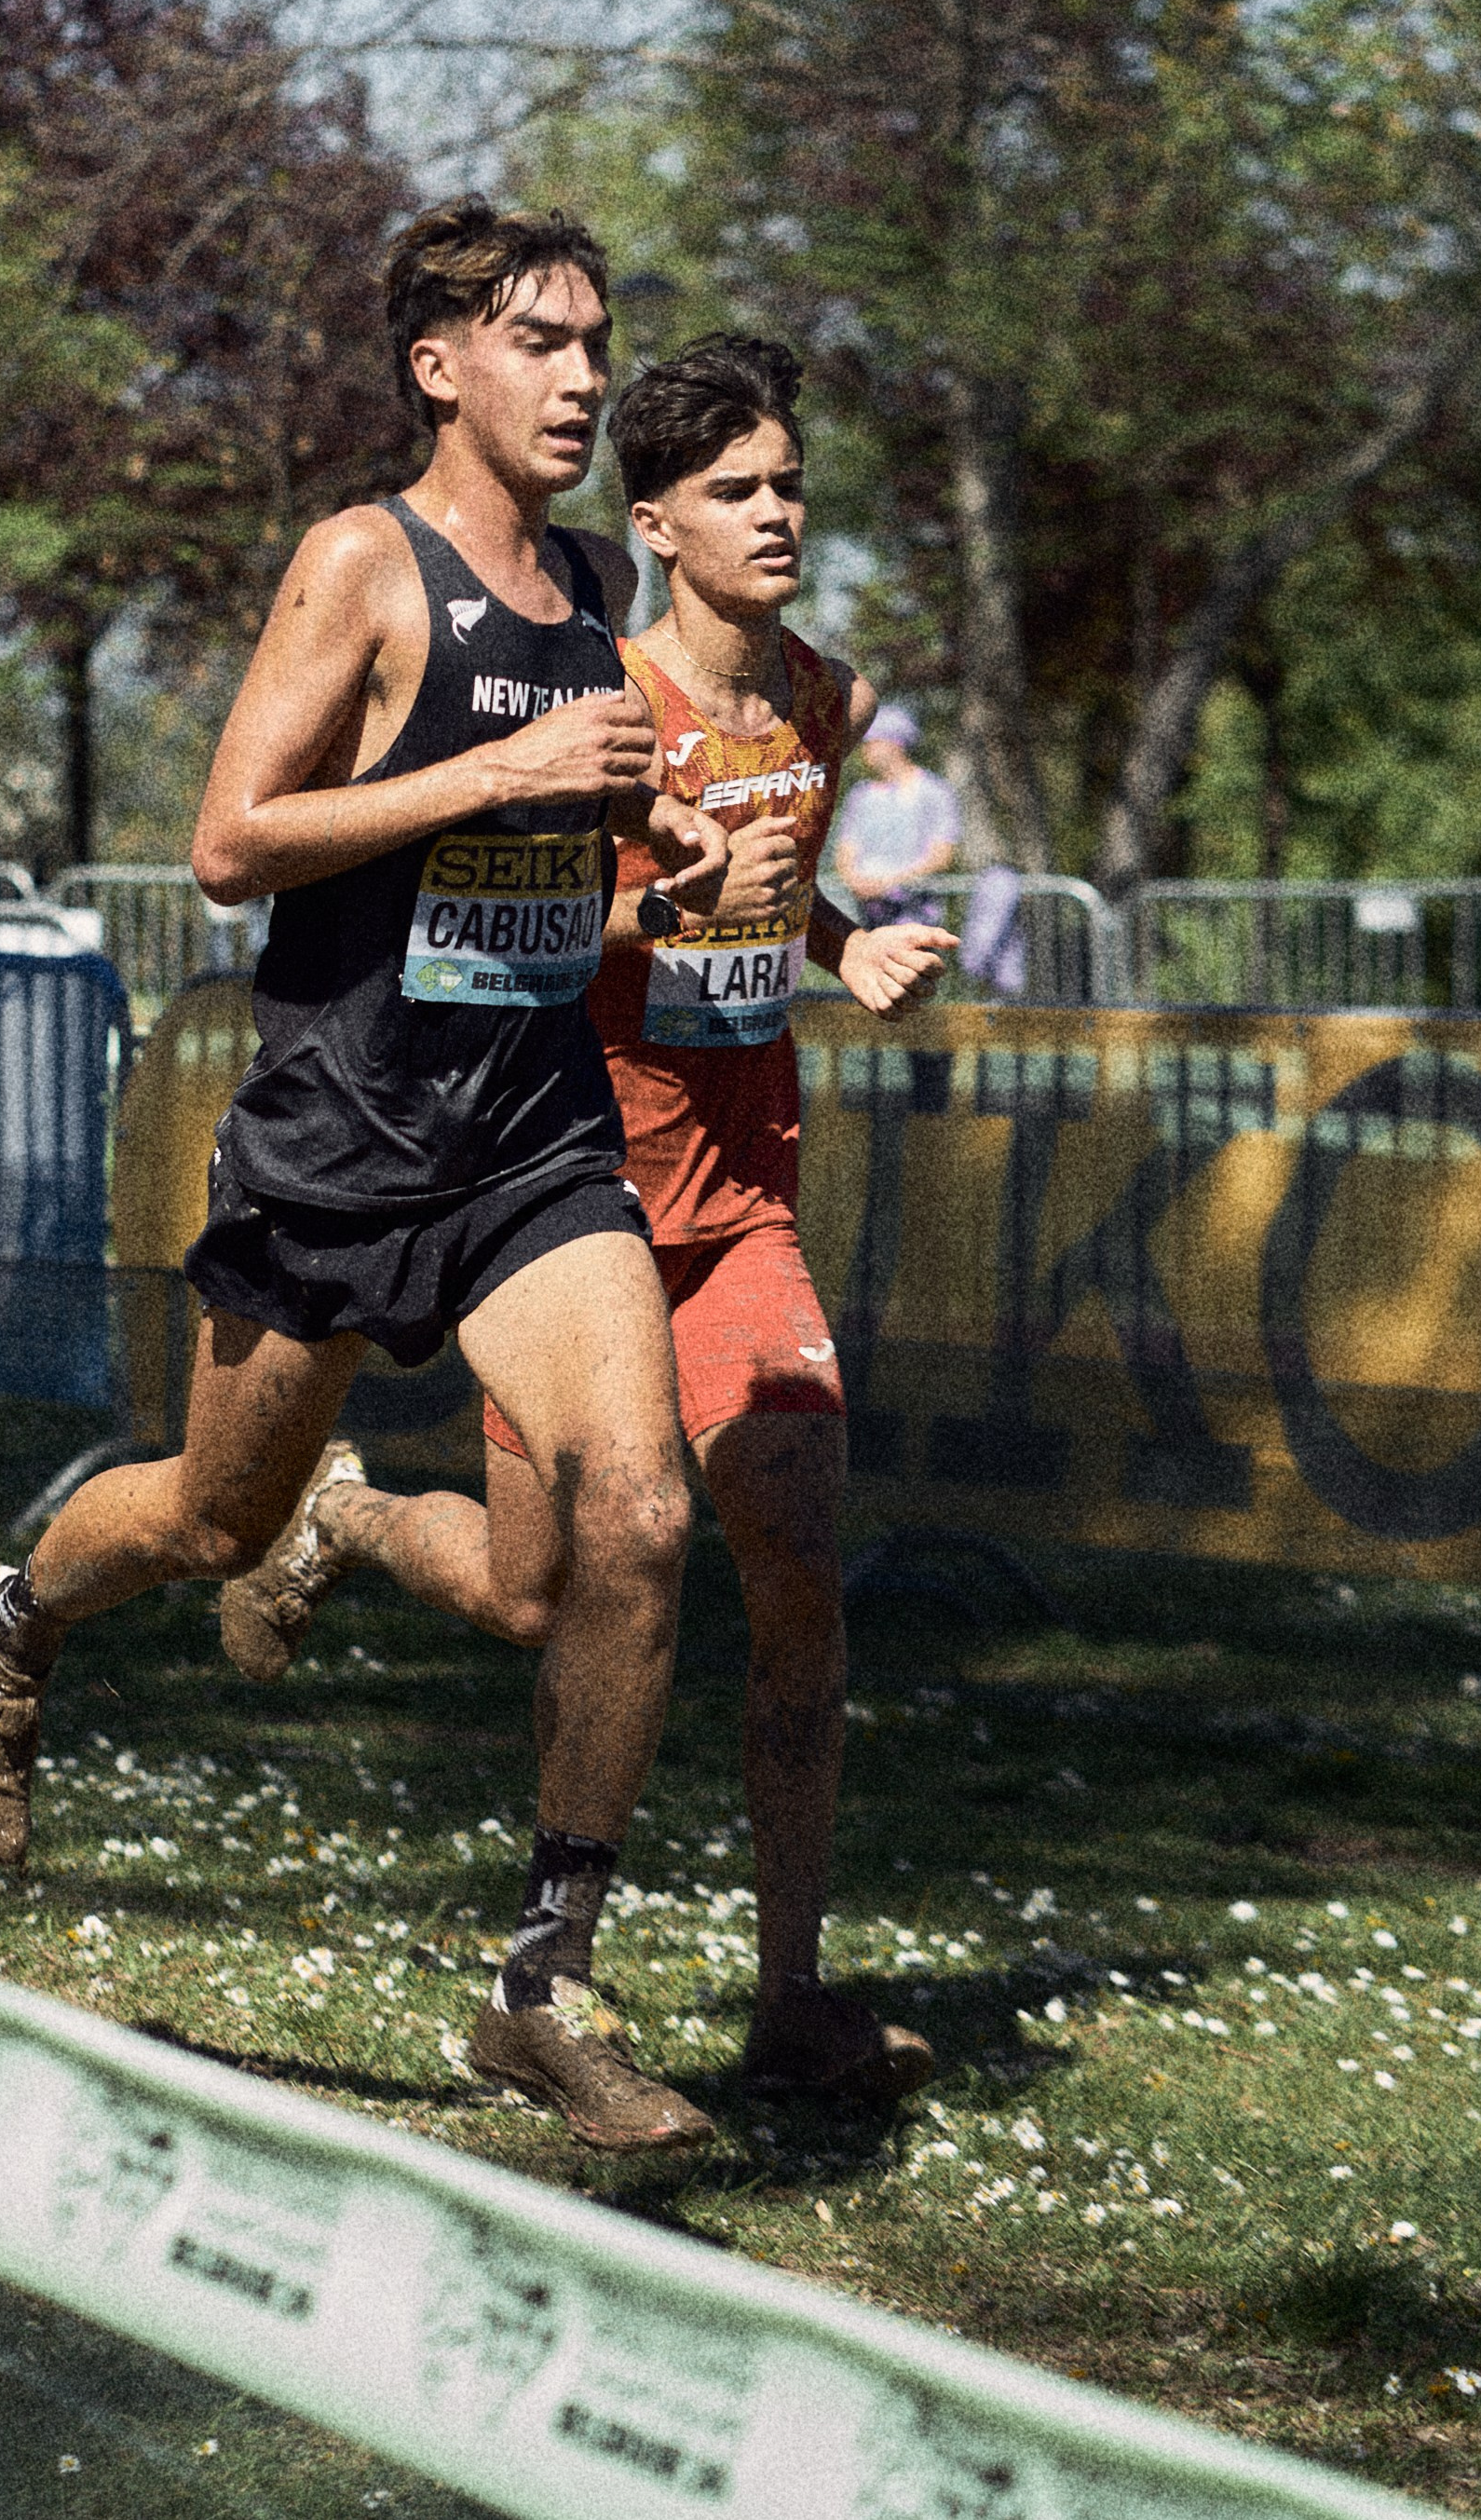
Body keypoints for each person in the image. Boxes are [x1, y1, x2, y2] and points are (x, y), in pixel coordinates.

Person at [0, 198, 735, 2152]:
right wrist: (493, 782)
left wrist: (660, 866)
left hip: (532, 1142)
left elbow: (560, 870)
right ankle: (14, 1617)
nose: (581, 377)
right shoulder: (361, 566)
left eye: (592, 343)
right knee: (211, 1520)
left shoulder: (592, 598)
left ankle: (543, 1985)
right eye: (539, 342)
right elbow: (229, 838)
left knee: (633, 1510)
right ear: (435, 366)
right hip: (338, 1139)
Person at [221, 334, 958, 2105]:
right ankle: (342, 1520)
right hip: (573, 1194)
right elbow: (524, 928)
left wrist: (842, 945)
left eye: (791, 486)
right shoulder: (592, 692)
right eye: (740, 492)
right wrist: (674, 910)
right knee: (534, 1589)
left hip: (743, 1203)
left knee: (790, 1552)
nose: (780, 514)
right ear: (656, 522)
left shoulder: (825, 699)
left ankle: (788, 1994)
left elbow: (794, 883)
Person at [831, 705, 960, 928]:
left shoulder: (934, 791)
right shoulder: (861, 795)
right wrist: (856, 881)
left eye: (873, 743)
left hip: (916, 914)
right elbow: (846, 851)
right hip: (867, 914)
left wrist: (889, 884)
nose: (865, 751)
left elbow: (942, 855)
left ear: (896, 744)